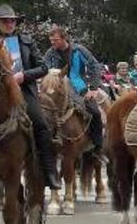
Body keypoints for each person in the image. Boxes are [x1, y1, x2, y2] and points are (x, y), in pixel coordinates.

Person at [0, 5, 60, 189]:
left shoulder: (26, 41)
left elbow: (43, 67)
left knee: (40, 123)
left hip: (23, 91)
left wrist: (23, 75)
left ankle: (49, 171)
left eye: (12, 20)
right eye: (5, 21)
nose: (9, 24)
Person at [43, 26, 106, 154]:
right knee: (44, 112)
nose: (52, 43)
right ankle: (45, 145)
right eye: (51, 40)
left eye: (55, 40)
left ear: (64, 38)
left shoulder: (79, 50)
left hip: (78, 88)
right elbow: (44, 69)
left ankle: (97, 145)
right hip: (56, 89)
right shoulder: (50, 53)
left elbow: (94, 66)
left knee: (95, 112)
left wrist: (93, 88)